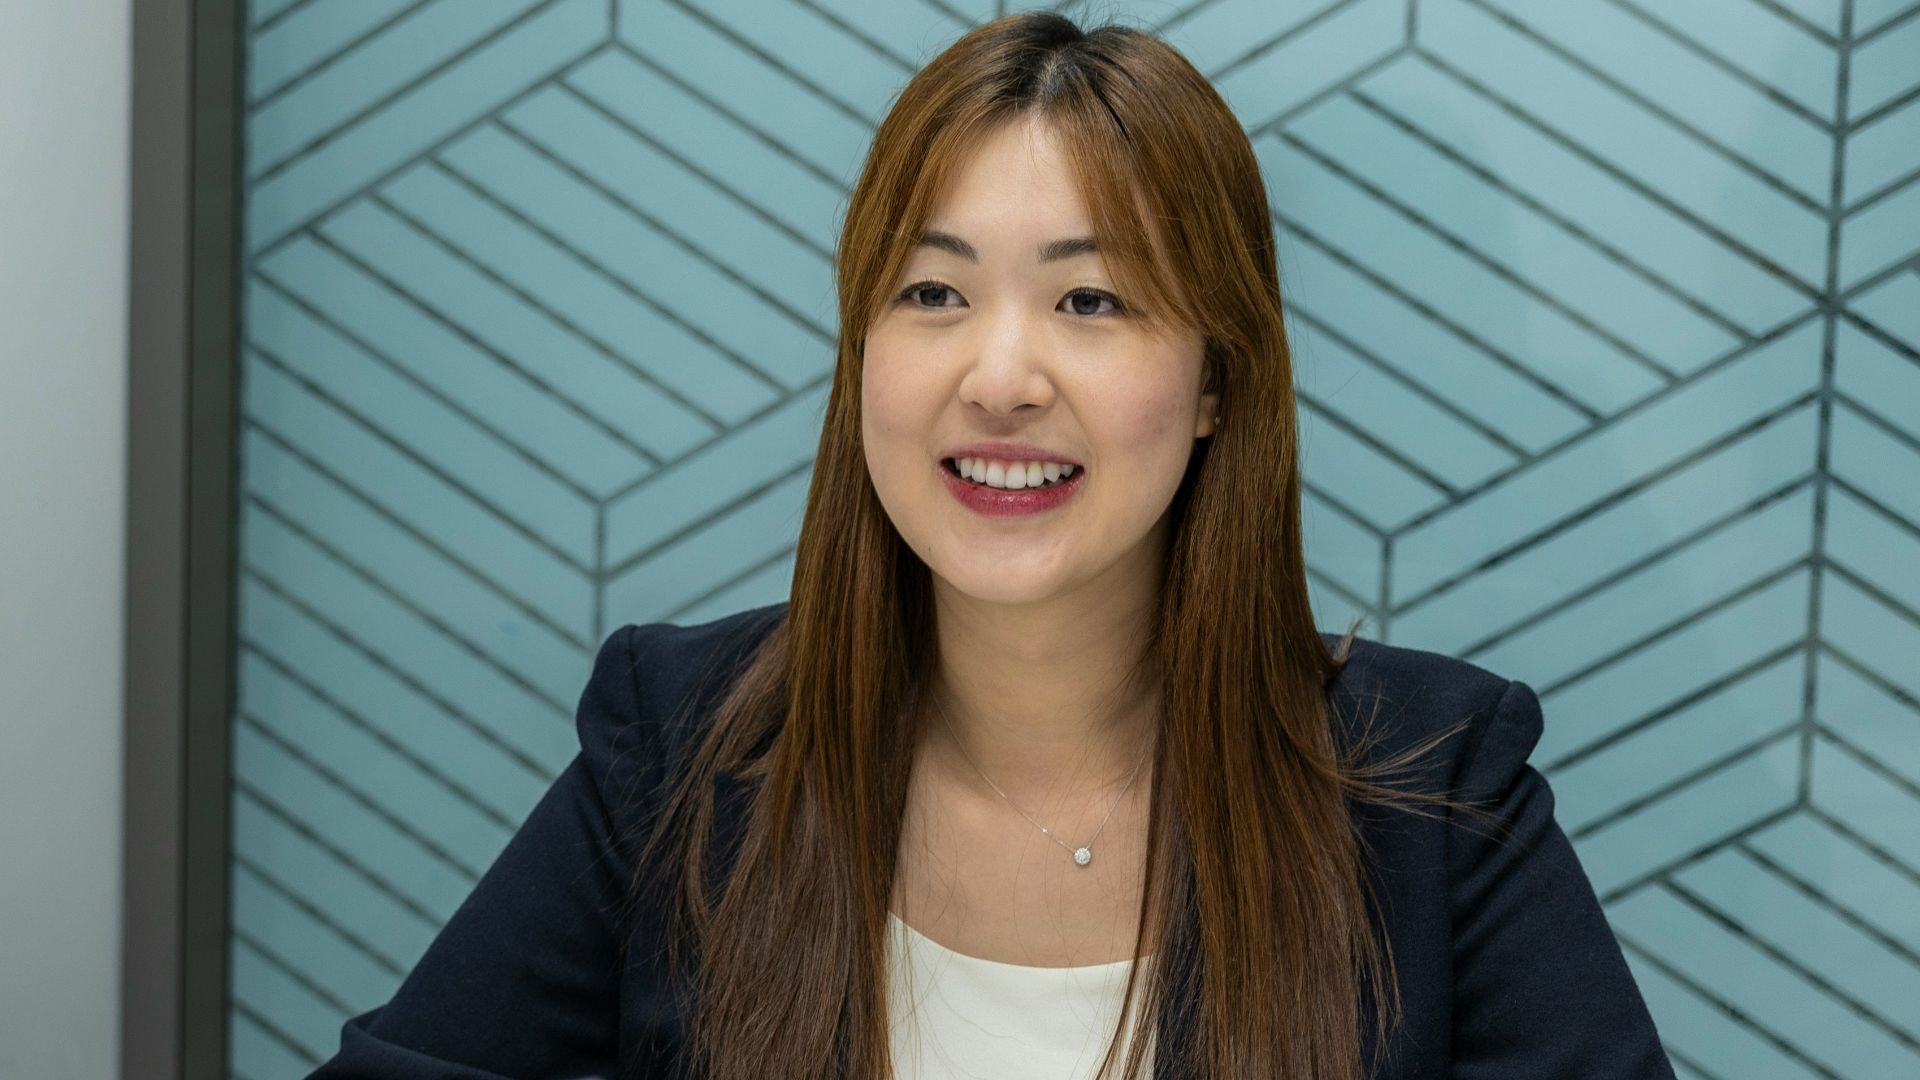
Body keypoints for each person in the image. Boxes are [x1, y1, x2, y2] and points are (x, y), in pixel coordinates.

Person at [304, 10, 1675, 1080]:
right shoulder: (682, 742)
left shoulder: (1438, 787)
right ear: (863, 357)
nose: (1001, 373)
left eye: (1091, 298)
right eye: (933, 292)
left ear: (1215, 383)